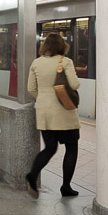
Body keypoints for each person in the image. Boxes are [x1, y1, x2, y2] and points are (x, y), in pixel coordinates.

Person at [24, 32, 81, 199]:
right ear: (62, 46)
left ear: (45, 47)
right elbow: (74, 84)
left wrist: (44, 98)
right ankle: (66, 187)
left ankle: (32, 176)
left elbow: (31, 89)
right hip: (65, 112)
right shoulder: (66, 62)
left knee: (50, 148)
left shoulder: (36, 63)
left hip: (44, 112)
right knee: (71, 148)